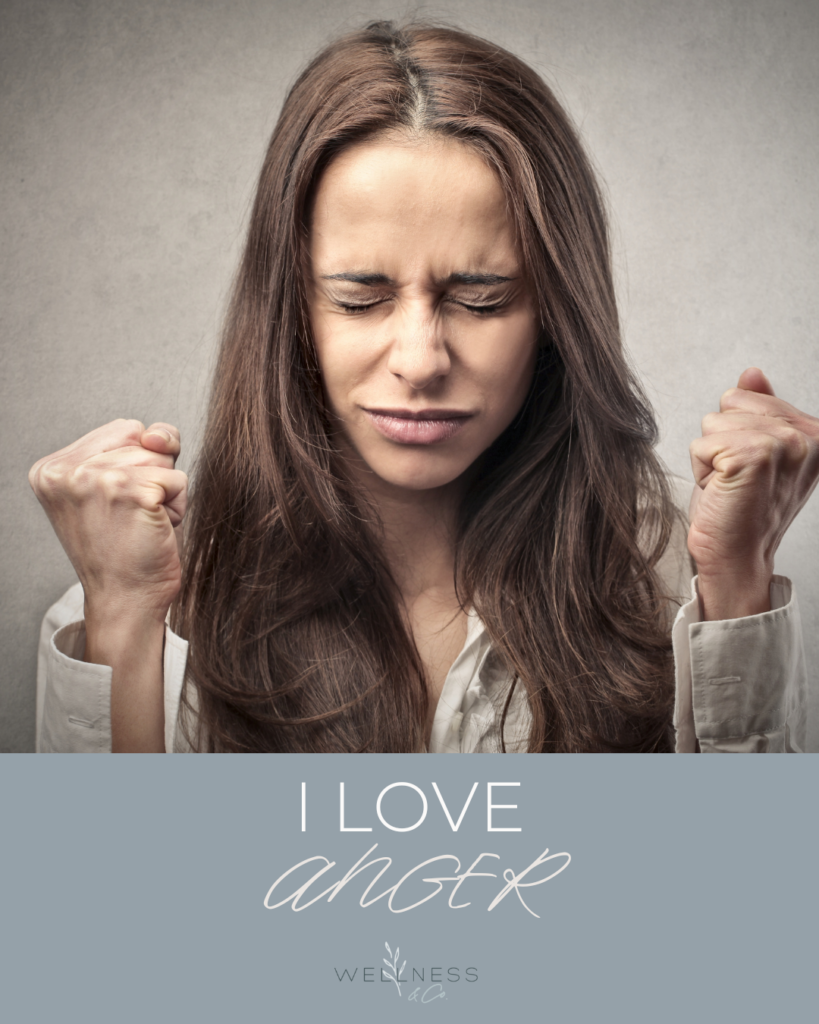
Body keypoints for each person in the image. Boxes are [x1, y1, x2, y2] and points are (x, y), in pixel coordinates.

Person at [30, 21, 817, 754]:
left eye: (480, 299)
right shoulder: (138, 597)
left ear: (557, 311)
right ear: (290, 309)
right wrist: (127, 624)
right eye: (358, 298)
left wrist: (737, 585)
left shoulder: (681, 578)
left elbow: (749, 896)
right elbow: (101, 902)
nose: (418, 359)